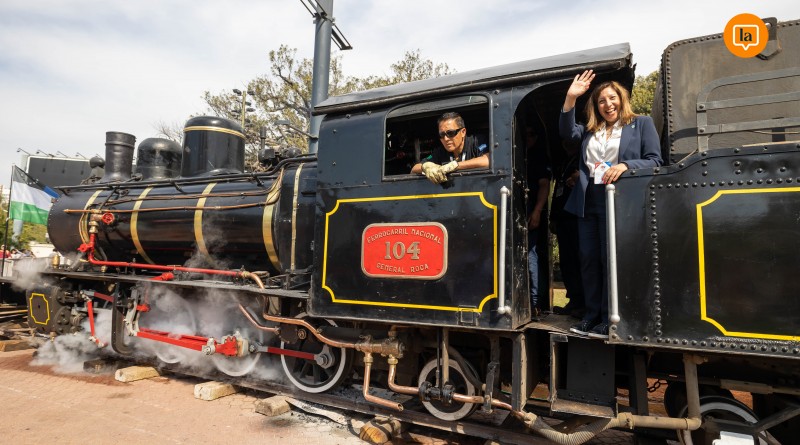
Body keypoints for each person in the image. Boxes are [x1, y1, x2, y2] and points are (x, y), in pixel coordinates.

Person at [560, 70, 663, 338]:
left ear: (622, 99)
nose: (608, 105)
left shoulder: (641, 124)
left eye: (612, 98)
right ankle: (591, 316)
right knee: (588, 259)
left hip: (618, 200)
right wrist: (571, 98)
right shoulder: (590, 131)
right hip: (588, 201)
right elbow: (567, 133)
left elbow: (655, 160)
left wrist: (625, 165)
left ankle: (609, 318)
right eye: (601, 101)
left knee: (610, 260)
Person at [551, 141, 585, 319]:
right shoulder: (564, 162)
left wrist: (580, 177)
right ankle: (574, 299)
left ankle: (583, 302)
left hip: (577, 216)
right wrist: (553, 217)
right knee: (567, 261)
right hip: (563, 216)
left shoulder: (583, 158)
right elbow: (557, 190)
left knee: (579, 259)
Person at [411, 112, 489, 183]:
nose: (446, 139)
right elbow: (414, 169)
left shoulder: (476, 141)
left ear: (463, 132)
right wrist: (426, 166)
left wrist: (455, 165)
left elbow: (488, 160)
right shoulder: (440, 151)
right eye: (442, 135)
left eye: (450, 133)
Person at [525, 124, 551, 318]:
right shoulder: (521, 155)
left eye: (532, 134)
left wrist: (537, 211)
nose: (528, 138)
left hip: (530, 210)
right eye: (525, 134)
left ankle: (535, 302)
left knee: (531, 254)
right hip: (518, 210)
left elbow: (544, 185)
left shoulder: (538, 157)